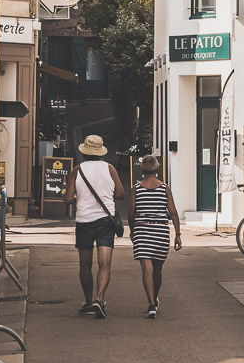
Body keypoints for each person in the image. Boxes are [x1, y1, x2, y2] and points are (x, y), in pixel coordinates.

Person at [63, 133, 125, 319]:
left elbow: (67, 199)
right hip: (106, 221)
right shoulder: (110, 168)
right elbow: (121, 194)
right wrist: (106, 195)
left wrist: (79, 197)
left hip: (84, 221)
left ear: (84, 152)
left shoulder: (77, 170)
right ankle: (100, 299)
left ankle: (89, 302)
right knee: (105, 262)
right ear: (101, 152)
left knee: (85, 264)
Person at [128, 155, 182, 318]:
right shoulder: (164, 188)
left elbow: (131, 213)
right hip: (161, 231)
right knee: (158, 268)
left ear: (142, 170)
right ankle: (155, 299)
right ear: (157, 169)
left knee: (147, 267)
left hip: (142, 230)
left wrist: (132, 230)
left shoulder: (136, 189)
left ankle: (151, 303)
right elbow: (173, 212)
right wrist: (178, 234)